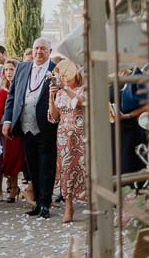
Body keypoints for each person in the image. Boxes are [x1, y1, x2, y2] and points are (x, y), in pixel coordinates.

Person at [2, 37, 58, 218]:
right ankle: (36, 201)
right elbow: (12, 95)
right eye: (36, 48)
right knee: (32, 165)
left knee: (47, 165)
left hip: (47, 125)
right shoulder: (23, 67)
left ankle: (45, 203)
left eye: (43, 49)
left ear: (49, 51)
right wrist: (8, 120)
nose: (38, 52)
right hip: (25, 125)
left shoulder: (55, 69)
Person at [47, 60, 87, 224]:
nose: (63, 77)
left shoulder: (83, 88)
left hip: (82, 133)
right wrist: (51, 96)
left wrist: (65, 87)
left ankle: (91, 203)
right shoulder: (61, 92)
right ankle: (68, 206)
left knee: (85, 168)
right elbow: (54, 116)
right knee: (66, 169)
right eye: (61, 74)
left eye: (67, 73)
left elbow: (80, 102)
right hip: (64, 135)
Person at [0, 59, 25, 203]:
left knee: (23, 159)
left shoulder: (24, 85)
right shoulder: (4, 89)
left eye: (12, 69)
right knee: (11, 158)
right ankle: (13, 186)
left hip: (24, 126)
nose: (9, 72)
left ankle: (24, 187)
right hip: (9, 130)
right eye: (6, 70)